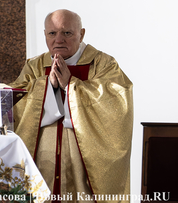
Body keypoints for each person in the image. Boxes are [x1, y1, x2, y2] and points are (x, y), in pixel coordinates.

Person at [11, 10, 133, 199]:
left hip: (84, 162)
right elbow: (15, 101)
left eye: (67, 33)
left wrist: (72, 85)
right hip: (43, 159)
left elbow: (117, 102)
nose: (58, 40)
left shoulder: (102, 64)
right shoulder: (34, 66)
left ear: (81, 34)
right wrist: (46, 86)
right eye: (52, 33)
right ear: (45, 35)